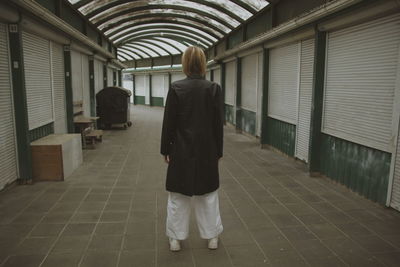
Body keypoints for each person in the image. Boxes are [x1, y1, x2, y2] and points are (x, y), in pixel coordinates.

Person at [160, 46, 224, 252]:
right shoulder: (213, 88)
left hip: (181, 149)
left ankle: (175, 239)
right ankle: (212, 236)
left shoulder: (176, 88)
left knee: (178, 196)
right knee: (208, 195)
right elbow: (217, 125)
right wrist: (218, 152)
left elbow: (168, 123)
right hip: (207, 149)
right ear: (203, 64)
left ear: (185, 64)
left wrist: (166, 149)